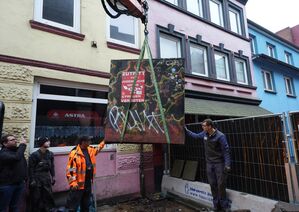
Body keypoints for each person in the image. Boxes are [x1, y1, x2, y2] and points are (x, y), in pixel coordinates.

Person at [185, 119, 231, 211]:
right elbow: (195, 136)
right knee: (212, 184)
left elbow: (226, 151)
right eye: (202, 126)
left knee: (221, 184)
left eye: (204, 126)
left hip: (219, 163)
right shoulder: (204, 134)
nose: (203, 127)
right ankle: (216, 205)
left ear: (210, 126)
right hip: (209, 163)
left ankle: (224, 206)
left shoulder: (220, 136)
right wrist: (186, 130)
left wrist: (227, 164)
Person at [65, 136, 105, 212]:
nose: (90, 142)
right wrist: (73, 183)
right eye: (88, 141)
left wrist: (105, 141)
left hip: (88, 183)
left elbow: (98, 148)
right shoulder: (74, 153)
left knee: (86, 205)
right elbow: (70, 170)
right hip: (78, 185)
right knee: (73, 206)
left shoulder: (90, 150)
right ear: (83, 142)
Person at [0, 134, 27, 212]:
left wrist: (25, 178)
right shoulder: (3, 153)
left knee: (14, 206)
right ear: (4, 143)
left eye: (15, 139)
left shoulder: (17, 151)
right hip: (7, 185)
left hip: (19, 184)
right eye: (12, 140)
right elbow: (16, 158)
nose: (15, 141)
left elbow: (24, 164)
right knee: (3, 208)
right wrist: (23, 145)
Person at [28, 137, 55, 212]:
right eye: (47, 141)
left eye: (49, 141)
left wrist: (53, 176)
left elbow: (52, 166)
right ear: (42, 143)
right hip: (37, 178)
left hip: (46, 177)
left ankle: (47, 209)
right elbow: (31, 168)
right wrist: (32, 180)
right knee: (36, 197)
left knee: (48, 196)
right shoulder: (34, 155)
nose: (49, 142)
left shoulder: (50, 154)